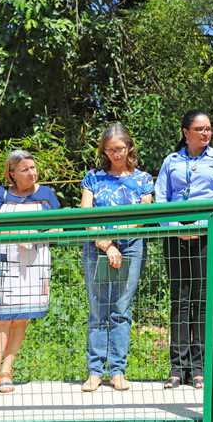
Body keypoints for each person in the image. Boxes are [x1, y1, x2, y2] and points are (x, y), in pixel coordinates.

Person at [155, 110, 213, 389]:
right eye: (200, 129)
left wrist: (201, 226)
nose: (206, 133)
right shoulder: (171, 161)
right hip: (175, 236)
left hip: (207, 234)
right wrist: (176, 226)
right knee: (180, 301)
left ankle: (199, 368)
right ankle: (177, 368)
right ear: (185, 132)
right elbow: (161, 197)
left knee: (202, 303)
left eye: (209, 129)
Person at [0, 150, 61, 397]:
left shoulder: (46, 194)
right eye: (25, 169)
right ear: (12, 173)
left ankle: (7, 371)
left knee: (20, 318)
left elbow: (58, 225)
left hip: (33, 263)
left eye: (33, 167)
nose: (32, 173)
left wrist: (35, 236)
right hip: (1, 261)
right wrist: (18, 235)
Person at [80, 123, 154, 392]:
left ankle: (118, 370)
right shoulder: (93, 178)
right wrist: (106, 244)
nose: (115, 154)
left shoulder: (143, 179)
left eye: (120, 149)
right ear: (104, 150)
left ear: (129, 147)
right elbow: (86, 215)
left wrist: (119, 242)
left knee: (121, 309)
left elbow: (144, 216)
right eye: (110, 150)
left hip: (132, 246)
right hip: (97, 248)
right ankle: (95, 370)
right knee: (98, 308)